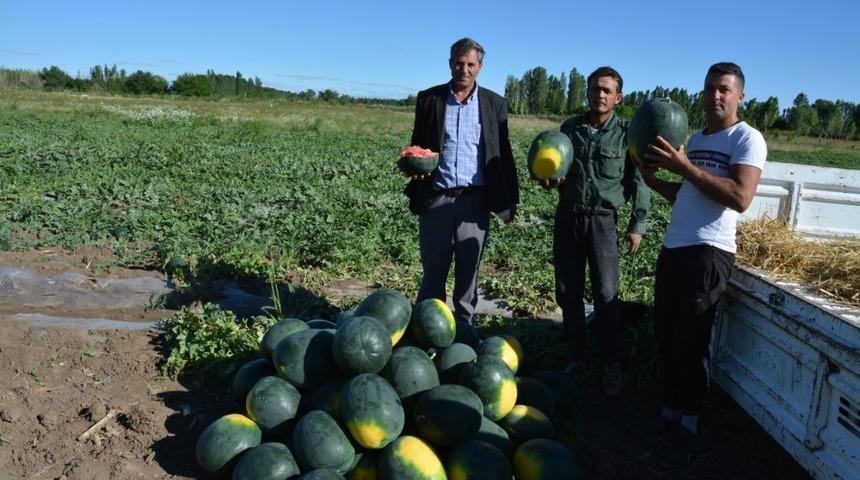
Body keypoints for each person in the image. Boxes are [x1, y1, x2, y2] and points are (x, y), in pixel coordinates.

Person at [640, 62, 767, 467]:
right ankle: (670, 411)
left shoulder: (747, 138)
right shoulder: (693, 139)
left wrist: (686, 167)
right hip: (675, 245)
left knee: (692, 341)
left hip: (710, 251)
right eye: (710, 88)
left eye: (724, 90)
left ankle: (689, 424)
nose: (715, 96)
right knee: (667, 331)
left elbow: (740, 197)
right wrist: (653, 179)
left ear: (740, 96)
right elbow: (687, 193)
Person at [543, 66, 650, 396]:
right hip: (569, 217)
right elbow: (553, 169)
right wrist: (548, 179)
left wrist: (638, 224)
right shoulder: (569, 130)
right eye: (594, 89)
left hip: (604, 220)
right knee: (567, 290)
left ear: (618, 97)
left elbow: (639, 180)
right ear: (586, 92)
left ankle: (611, 362)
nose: (599, 95)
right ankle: (578, 354)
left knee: (606, 294)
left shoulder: (627, 134)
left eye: (607, 90)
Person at [403, 37, 519, 325]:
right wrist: (414, 168)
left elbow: (503, 155)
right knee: (433, 271)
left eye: (470, 64)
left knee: (468, 275)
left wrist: (510, 199)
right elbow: (418, 144)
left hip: (475, 200)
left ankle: (465, 332)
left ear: (480, 67)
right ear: (450, 64)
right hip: (437, 198)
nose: (463, 69)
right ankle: (429, 330)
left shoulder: (494, 103)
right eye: (458, 63)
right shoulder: (430, 99)